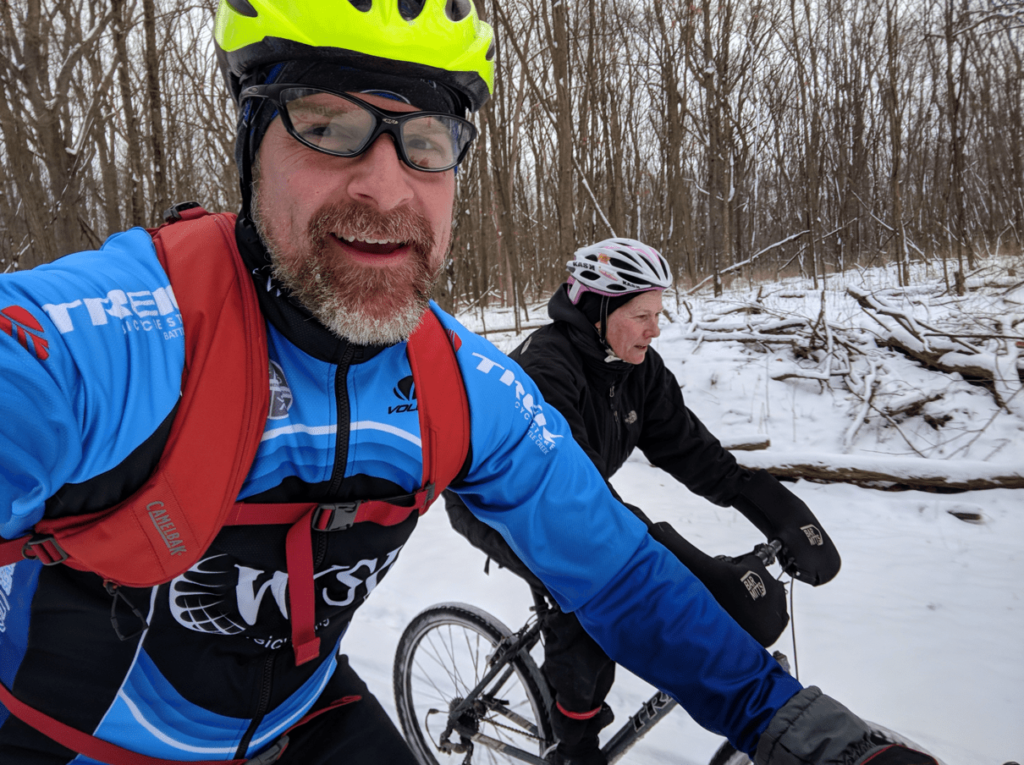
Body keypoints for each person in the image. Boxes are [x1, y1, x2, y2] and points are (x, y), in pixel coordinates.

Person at [0, 2, 936, 764]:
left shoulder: (462, 386)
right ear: (251, 144)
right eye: (327, 125)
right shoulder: (121, 337)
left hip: (301, 724)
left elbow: (619, 572)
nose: (386, 186)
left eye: (427, 141)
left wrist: (810, 736)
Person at [446, 238, 841, 764]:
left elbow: (695, 454)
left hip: (577, 502)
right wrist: (690, 567)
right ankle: (574, 740)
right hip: (500, 504)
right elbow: (580, 512)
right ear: (597, 311)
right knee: (586, 597)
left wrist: (775, 509)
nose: (656, 329)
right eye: (641, 315)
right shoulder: (547, 370)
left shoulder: (639, 370)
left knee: (616, 576)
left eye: (659, 313)